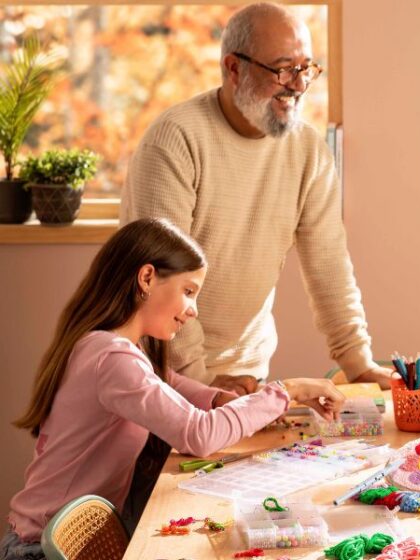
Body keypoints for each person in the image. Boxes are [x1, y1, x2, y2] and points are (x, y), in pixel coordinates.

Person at [1, 218, 345, 559]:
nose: (192, 311)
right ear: (147, 278)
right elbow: (198, 432)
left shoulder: (112, 350)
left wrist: (232, 401)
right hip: (37, 551)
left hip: (41, 540)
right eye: (189, 291)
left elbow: (181, 392)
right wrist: (289, 390)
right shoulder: (112, 359)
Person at [120, 2, 393, 396]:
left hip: (247, 376)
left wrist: (358, 363)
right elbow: (161, 282)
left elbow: (329, 265)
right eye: (282, 69)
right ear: (233, 68)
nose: (298, 85)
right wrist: (200, 381)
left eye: (306, 69)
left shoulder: (309, 151)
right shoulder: (176, 139)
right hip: (157, 373)